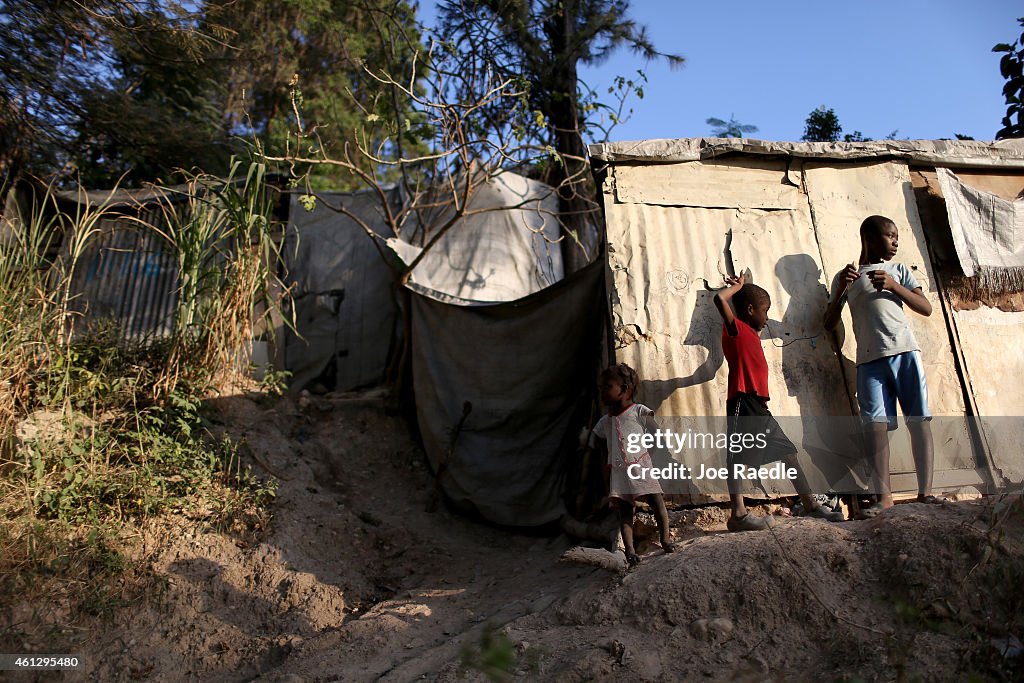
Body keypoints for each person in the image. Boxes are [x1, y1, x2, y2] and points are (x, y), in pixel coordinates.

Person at [823, 215, 937, 516]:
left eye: (896, 236)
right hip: (869, 362)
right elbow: (828, 323)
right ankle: (884, 499)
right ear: (869, 239)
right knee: (875, 428)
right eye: (890, 235)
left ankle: (925, 493)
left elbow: (925, 308)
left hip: (904, 353)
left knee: (918, 421)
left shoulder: (898, 271)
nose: (895, 241)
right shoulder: (846, 276)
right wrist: (841, 293)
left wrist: (894, 286)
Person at [714, 274, 845, 531]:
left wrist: (745, 284)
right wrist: (738, 288)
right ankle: (738, 514)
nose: (766, 317)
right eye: (765, 311)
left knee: (788, 452)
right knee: (738, 456)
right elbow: (720, 299)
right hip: (742, 400)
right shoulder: (735, 329)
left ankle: (811, 505)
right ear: (750, 310)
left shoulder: (751, 332)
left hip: (758, 405)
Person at [592, 363, 674, 567]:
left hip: (641, 467)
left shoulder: (638, 411)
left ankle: (666, 539)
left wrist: (646, 456)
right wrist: (606, 473)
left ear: (625, 389)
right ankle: (630, 551)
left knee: (656, 502)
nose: (602, 391)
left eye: (607, 386)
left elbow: (656, 435)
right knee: (626, 511)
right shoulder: (604, 422)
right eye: (601, 387)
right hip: (619, 473)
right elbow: (600, 448)